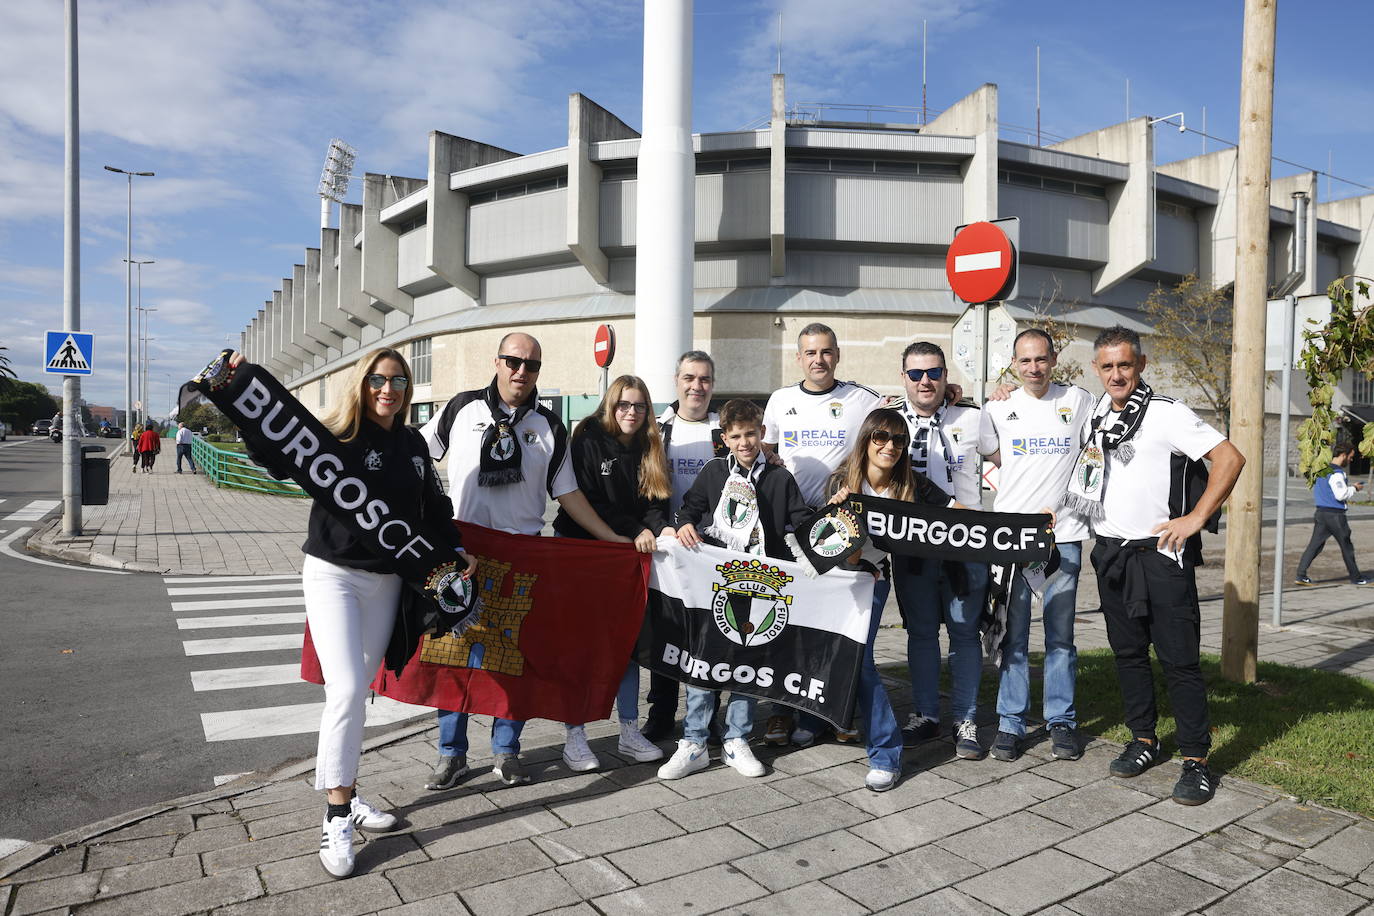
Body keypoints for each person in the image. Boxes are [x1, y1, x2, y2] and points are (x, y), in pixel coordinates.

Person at [240, 346, 473, 879]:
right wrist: (247, 402)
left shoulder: (414, 444)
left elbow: (433, 507)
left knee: (360, 690)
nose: (387, 390)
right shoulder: (337, 434)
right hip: (333, 575)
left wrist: (454, 548)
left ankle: (348, 788)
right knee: (345, 691)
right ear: (361, 385)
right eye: (377, 380)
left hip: (388, 582)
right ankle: (338, 815)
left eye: (397, 381)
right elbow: (276, 458)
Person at [419, 332, 630, 791]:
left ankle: (506, 750)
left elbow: (567, 492)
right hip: (461, 556)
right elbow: (419, 459)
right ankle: (450, 754)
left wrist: (611, 539)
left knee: (511, 660)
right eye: (513, 361)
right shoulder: (461, 408)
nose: (521, 371)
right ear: (496, 361)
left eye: (531, 365)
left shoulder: (549, 426)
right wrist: (432, 515)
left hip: (521, 556)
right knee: (453, 655)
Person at [1080, 325, 1244, 806]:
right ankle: (1144, 740)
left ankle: (1196, 760)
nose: (1116, 374)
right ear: (1096, 369)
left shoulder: (1166, 413)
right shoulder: (1095, 415)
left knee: (1180, 662)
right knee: (1128, 656)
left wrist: (1196, 518)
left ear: (1141, 365)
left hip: (1159, 558)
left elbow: (1229, 458)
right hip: (1111, 553)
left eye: (1124, 365)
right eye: (1107, 366)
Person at [658, 398, 812, 782]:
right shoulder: (713, 474)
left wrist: (832, 542)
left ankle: (737, 739)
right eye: (737, 435)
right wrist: (684, 525)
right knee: (704, 659)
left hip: (762, 585)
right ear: (724, 438)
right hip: (716, 583)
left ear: (762, 434)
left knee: (748, 661)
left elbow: (802, 522)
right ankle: (693, 741)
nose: (745, 442)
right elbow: (688, 508)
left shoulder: (780, 478)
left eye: (751, 434)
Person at [819, 408, 963, 790]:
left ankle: (886, 752)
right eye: (881, 437)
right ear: (866, 439)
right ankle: (820, 719)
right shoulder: (840, 481)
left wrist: (1023, 528)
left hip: (872, 579)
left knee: (863, 662)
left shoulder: (912, 485)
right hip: (834, 578)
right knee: (836, 654)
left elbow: (964, 519)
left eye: (899, 440)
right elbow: (834, 549)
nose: (890, 446)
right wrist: (842, 515)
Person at [978, 329, 1096, 762]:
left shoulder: (1078, 401)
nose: (1034, 369)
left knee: (1061, 636)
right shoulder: (997, 406)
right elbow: (993, 457)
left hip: (1063, 537)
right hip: (1012, 539)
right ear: (1013, 364)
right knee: (1013, 635)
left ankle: (1061, 720)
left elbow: (1095, 451)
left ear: (1054, 359)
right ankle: (1010, 722)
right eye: (1025, 361)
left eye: (1041, 360)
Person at [759, 323, 879, 745]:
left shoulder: (861, 399)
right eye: (810, 352)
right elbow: (767, 454)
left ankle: (833, 710)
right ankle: (782, 711)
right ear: (798, 357)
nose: (818, 360)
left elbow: (897, 424)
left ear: (838, 354)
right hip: (792, 527)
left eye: (826, 352)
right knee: (789, 619)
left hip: (840, 526)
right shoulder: (780, 401)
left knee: (838, 621)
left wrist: (951, 390)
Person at [553, 375, 672, 770]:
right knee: (582, 649)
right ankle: (575, 736)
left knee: (627, 648)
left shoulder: (650, 443)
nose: (631, 412)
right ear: (610, 404)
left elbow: (655, 500)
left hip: (626, 556)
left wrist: (661, 527)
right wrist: (635, 529)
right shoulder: (587, 437)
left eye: (639, 406)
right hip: (583, 552)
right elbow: (588, 502)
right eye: (624, 404)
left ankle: (628, 731)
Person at [891, 341, 987, 759]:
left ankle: (965, 718)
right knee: (921, 633)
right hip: (912, 542)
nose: (925, 381)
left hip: (966, 542)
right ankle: (926, 714)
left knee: (966, 632)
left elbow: (1010, 467)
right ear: (904, 379)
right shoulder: (888, 421)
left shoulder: (976, 417)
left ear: (947, 376)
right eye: (915, 374)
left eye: (933, 372)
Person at [642, 350, 725, 741]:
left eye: (705, 379)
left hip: (712, 549)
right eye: (690, 378)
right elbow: (646, 492)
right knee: (666, 631)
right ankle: (661, 710)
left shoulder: (723, 430)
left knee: (710, 635)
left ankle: (710, 711)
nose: (697, 386)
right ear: (677, 381)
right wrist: (664, 529)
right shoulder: (657, 429)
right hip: (668, 549)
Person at [1295, 441, 1368, 586]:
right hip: (1335, 515)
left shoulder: (1322, 470)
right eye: (1350, 457)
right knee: (1347, 546)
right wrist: (1354, 488)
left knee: (1314, 545)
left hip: (1321, 513)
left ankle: (1301, 575)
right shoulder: (1336, 473)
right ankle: (1357, 577)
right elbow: (1340, 494)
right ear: (1343, 455)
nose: (1351, 460)